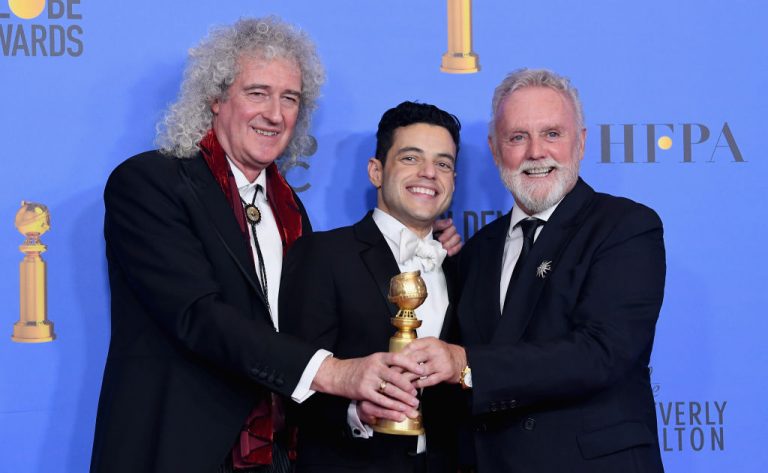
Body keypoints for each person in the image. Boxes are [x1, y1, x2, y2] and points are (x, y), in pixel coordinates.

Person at [90, 17, 460, 473]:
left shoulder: (289, 210)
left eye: (290, 99)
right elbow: (197, 315)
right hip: (178, 450)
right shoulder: (150, 183)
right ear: (215, 98)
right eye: (257, 93)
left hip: (275, 455)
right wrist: (335, 373)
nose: (276, 114)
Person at [401, 69, 666, 472]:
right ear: (494, 149)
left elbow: (601, 353)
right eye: (518, 137)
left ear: (581, 142)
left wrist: (465, 363)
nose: (536, 152)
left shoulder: (625, 226)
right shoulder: (474, 253)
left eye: (553, 134)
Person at [280, 101, 462, 472]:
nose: (429, 173)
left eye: (443, 163)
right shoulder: (323, 254)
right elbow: (291, 376)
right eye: (411, 158)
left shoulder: (465, 267)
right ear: (376, 171)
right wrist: (355, 411)